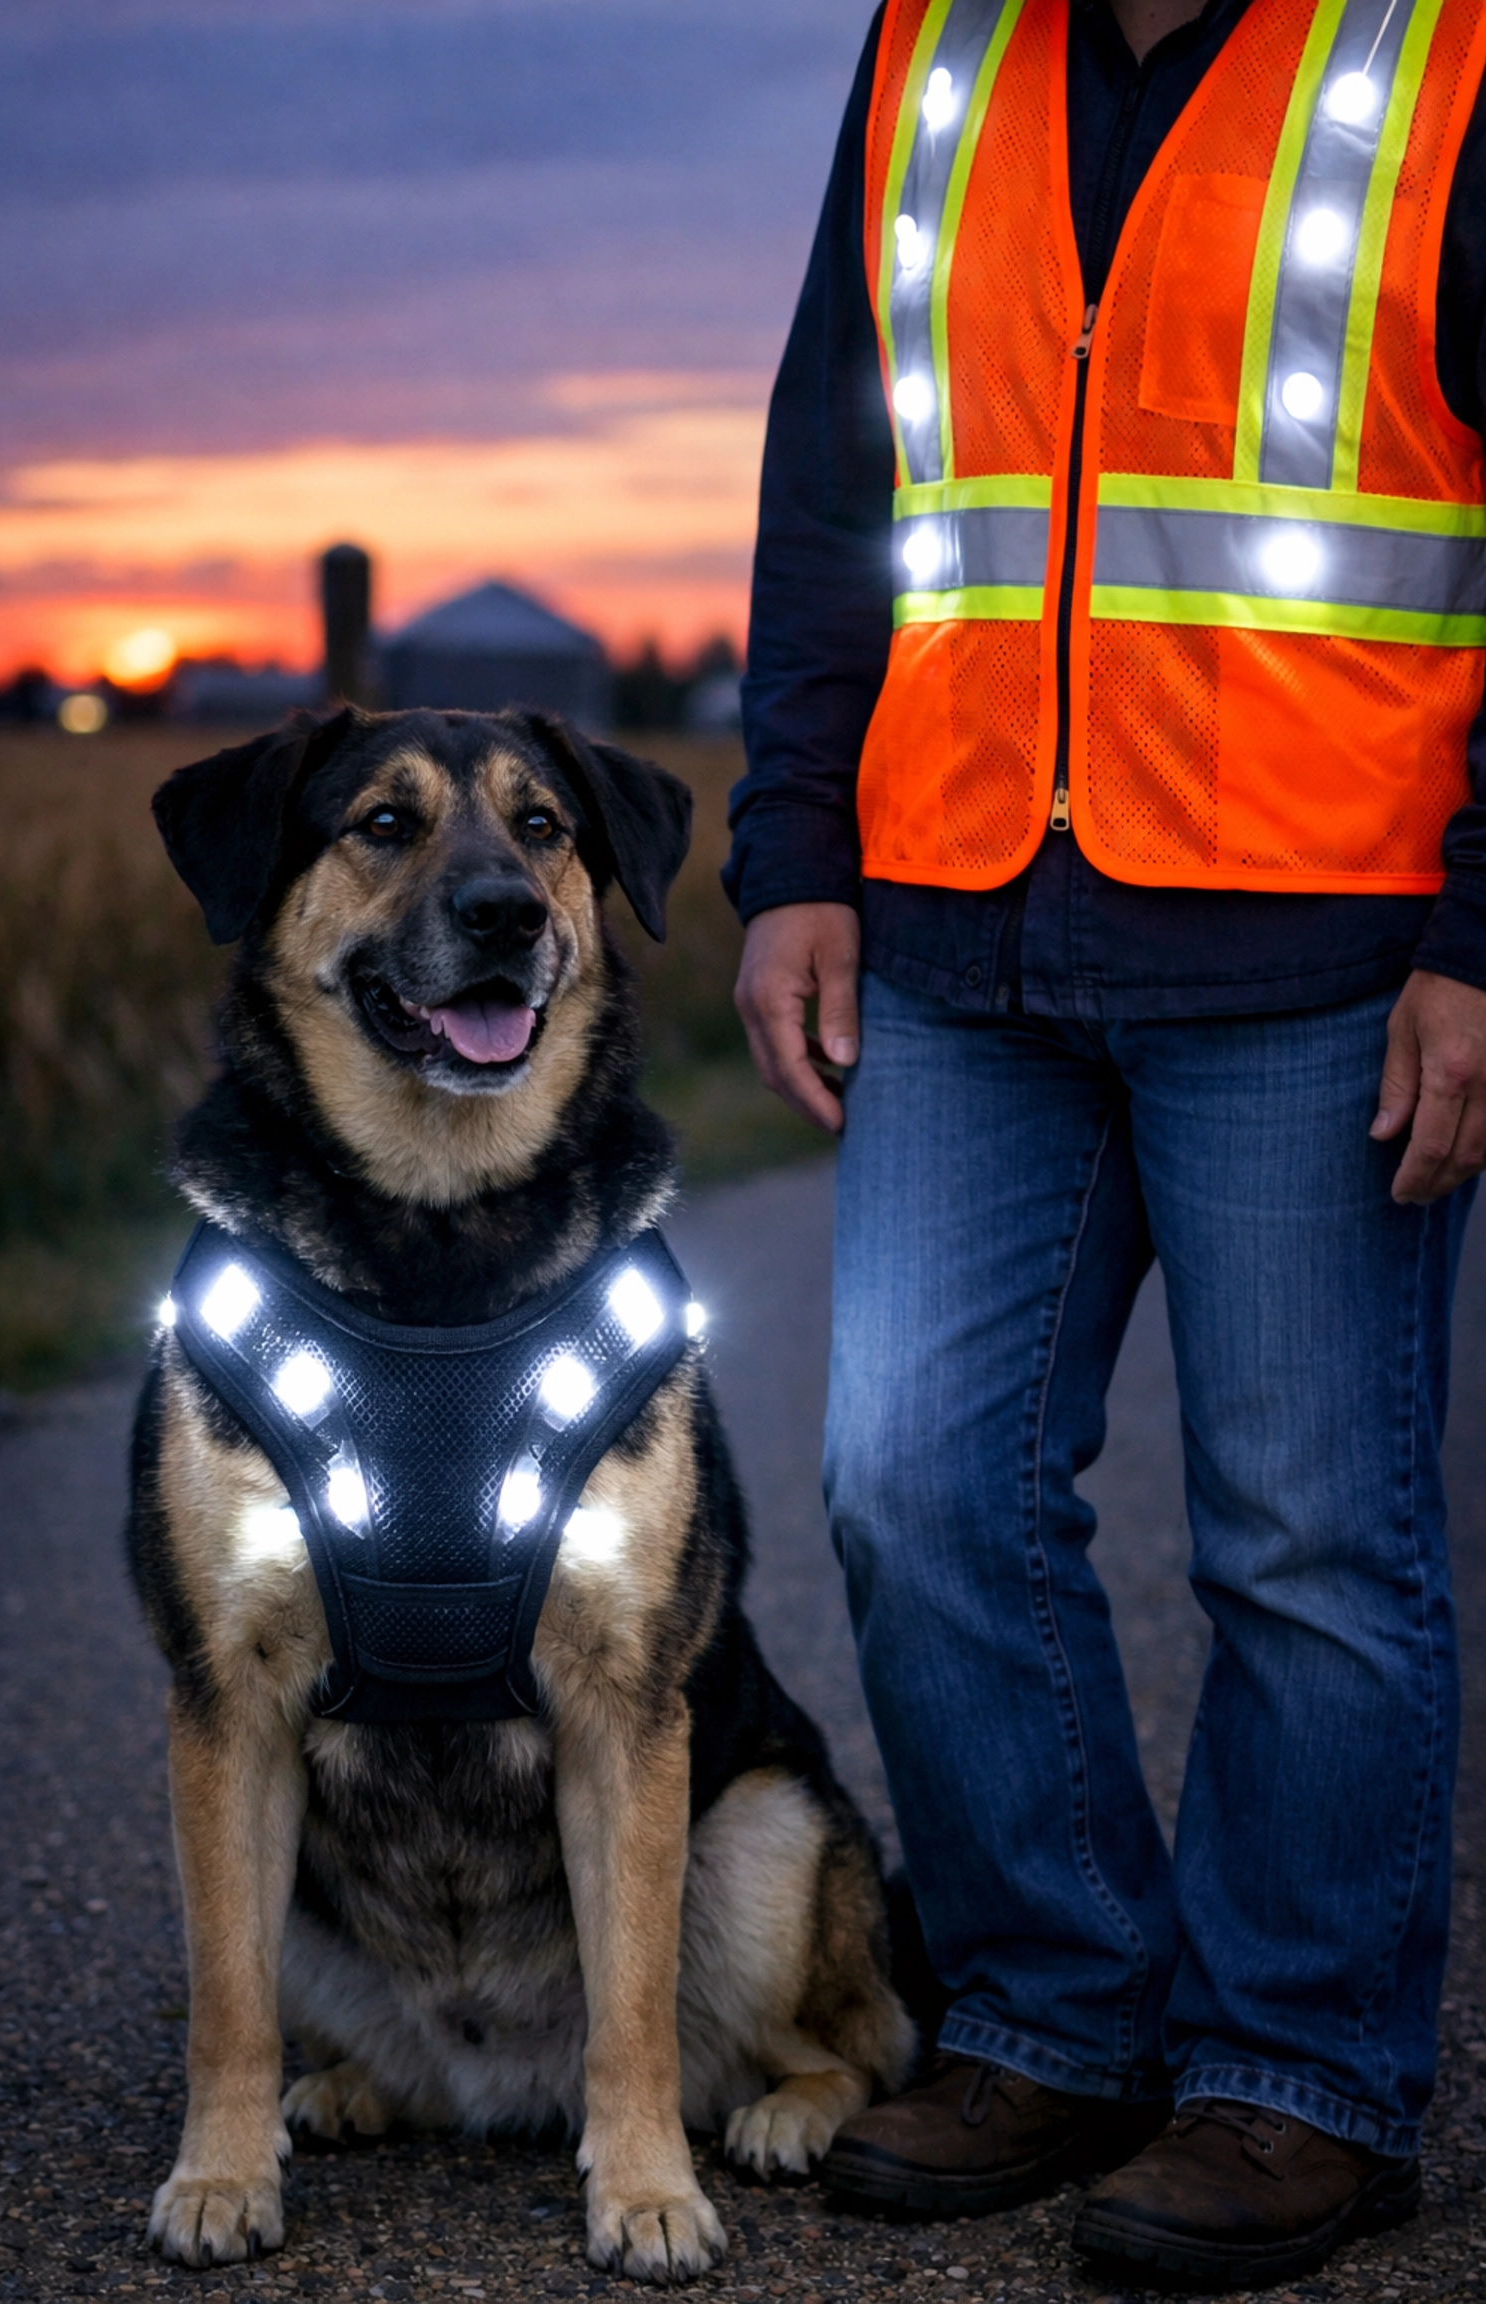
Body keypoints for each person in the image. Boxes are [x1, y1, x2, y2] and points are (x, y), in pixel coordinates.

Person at [724, 0, 1486, 2286]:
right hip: (962, 926)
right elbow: (835, 469)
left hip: (1321, 939)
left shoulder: (1439, 50)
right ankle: (1055, 2016)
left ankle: (1301, 2082)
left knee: (1308, 1545)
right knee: (909, 1479)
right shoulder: (941, 43)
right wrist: (792, 851)